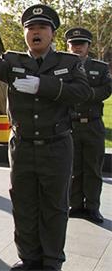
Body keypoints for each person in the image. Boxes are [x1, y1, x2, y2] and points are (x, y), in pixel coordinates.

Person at [0, 6, 91, 270]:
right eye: (30, 28)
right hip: (23, 147)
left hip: (56, 145)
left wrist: (44, 86)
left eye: (42, 27)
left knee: (54, 207)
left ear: (52, 34)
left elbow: (83, 91)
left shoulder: (69, 63)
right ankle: (29, 257)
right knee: (24, 204)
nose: (35, 32)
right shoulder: (14, 61)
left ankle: (51, 260)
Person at [65, 27, 111, 224]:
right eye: (73, 45)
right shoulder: (62, 66)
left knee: (93, 168)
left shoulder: (99, 67)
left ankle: (92, 207)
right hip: (70, 124)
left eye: (81, 44)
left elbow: (107, 89)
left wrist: (86, 94)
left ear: (88, 46)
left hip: (92, 125)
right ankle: (75, 205)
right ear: (68, 46)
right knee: (73, 167)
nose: (77, 48)